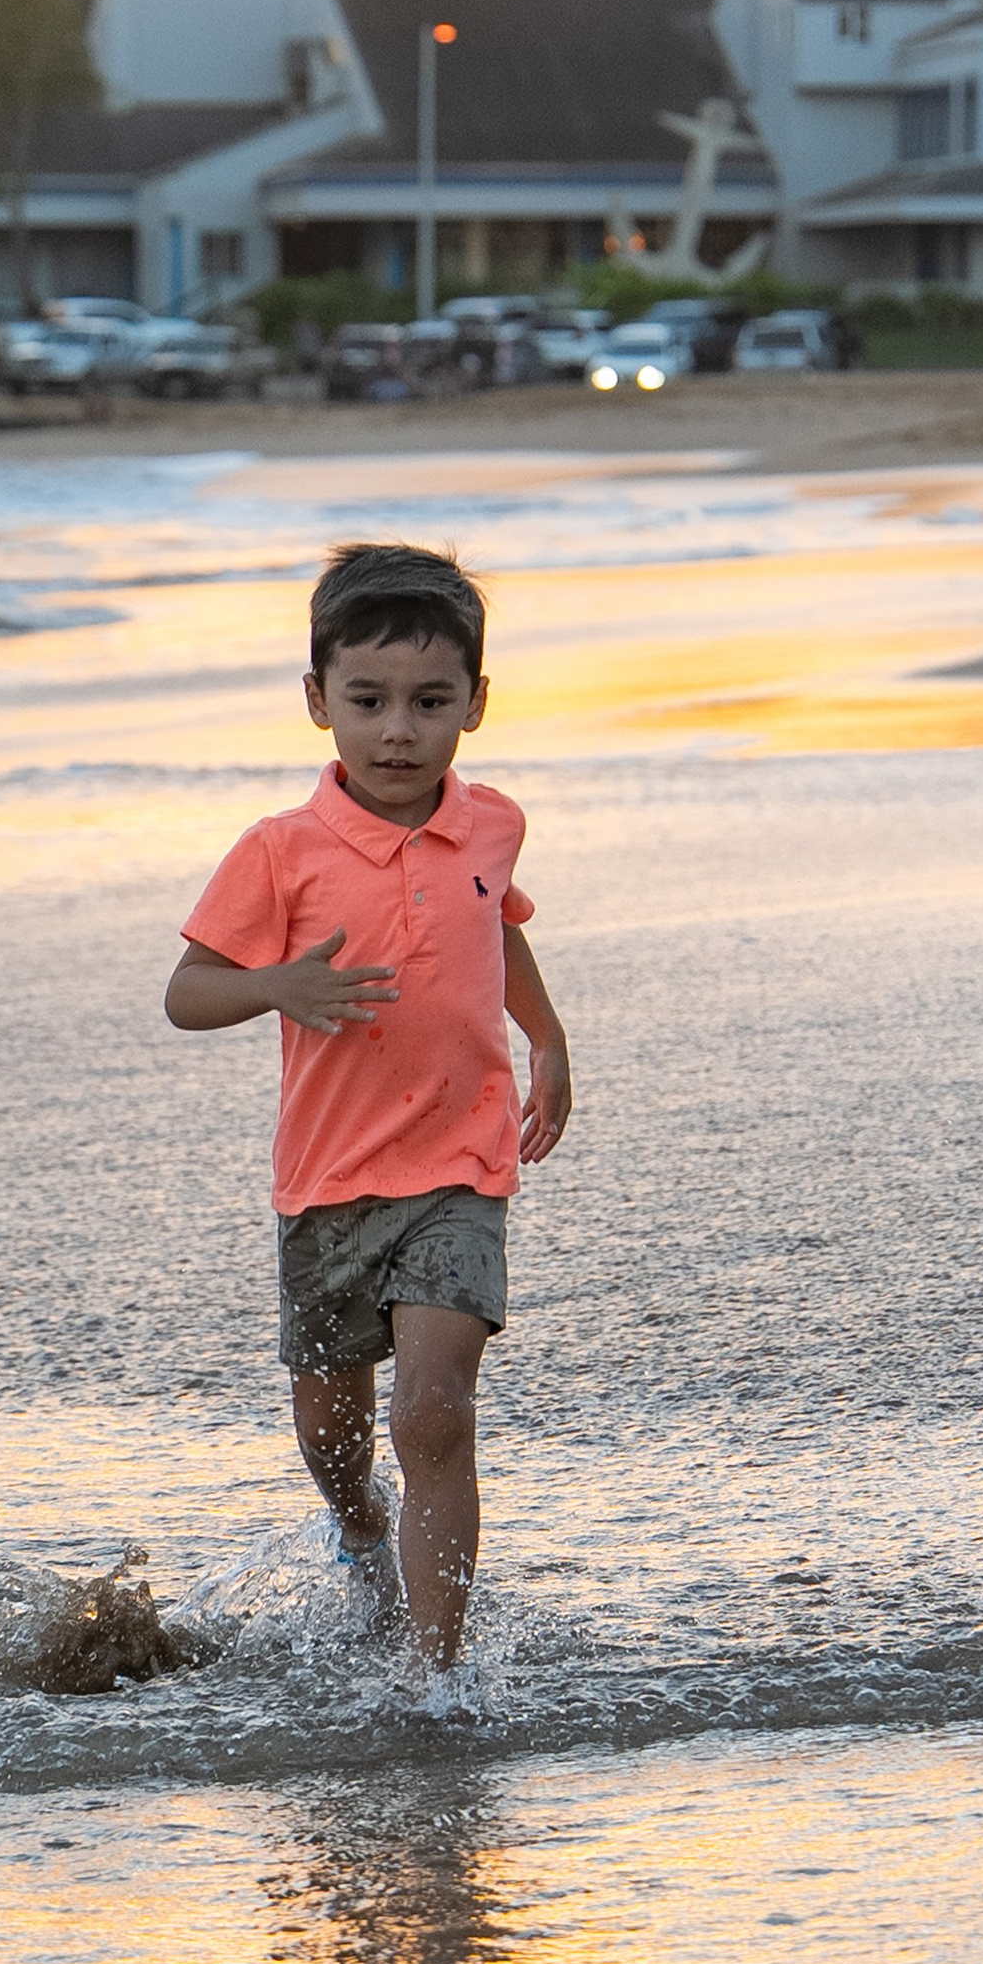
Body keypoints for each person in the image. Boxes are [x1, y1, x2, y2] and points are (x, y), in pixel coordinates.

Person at [163, 541, 573, 1666]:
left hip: (460, 1168)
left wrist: (547, 1039)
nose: (400, 730)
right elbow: (185, 994)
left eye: (431, 702)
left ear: (475, 705)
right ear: (317, 702)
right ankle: (357, 1525)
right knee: (333, 1437)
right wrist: (274, 986)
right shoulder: (279, 851)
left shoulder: (491, 824)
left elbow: (499, 926)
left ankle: (435, 1679)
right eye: (369, 701)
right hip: (329, 1182)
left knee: (431, 1414)